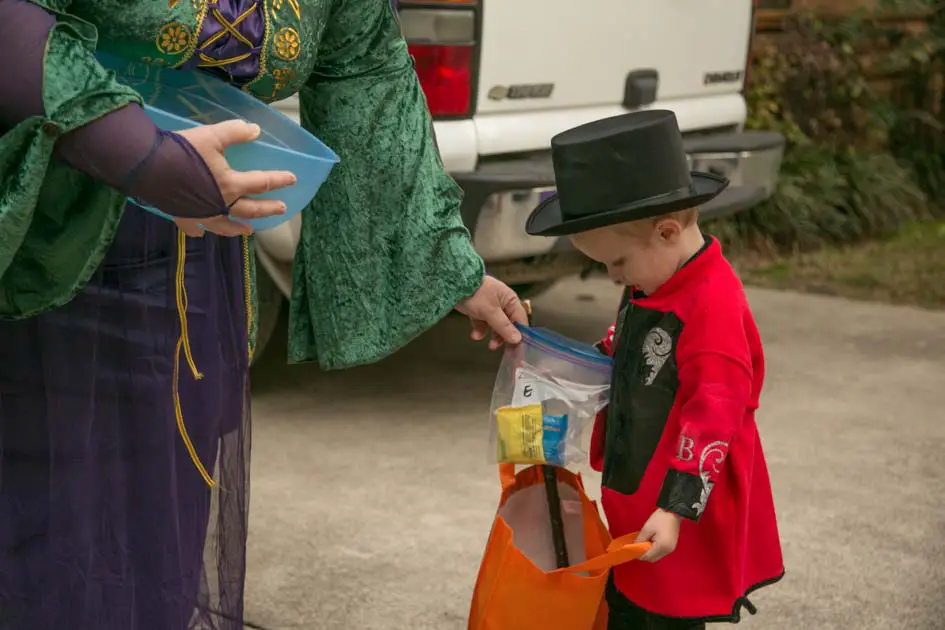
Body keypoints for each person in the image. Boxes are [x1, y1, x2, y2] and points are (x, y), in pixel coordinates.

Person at [0, 0, 527, 628]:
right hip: (45, 244)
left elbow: (365, 71)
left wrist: (448, 266)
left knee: (154, 530)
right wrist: (149, 161)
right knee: (47, 527)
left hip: (199, 249)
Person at [525, 110, 784, 629]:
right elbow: (632, 349)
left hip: (678, 512)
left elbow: (716, 413)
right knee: (630, 601)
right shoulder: (654, 280)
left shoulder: (712, 305)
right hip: (639, 487)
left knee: (666, 613)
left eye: (617, 263)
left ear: (667, 231)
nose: (614, 277)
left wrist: (675, 510)